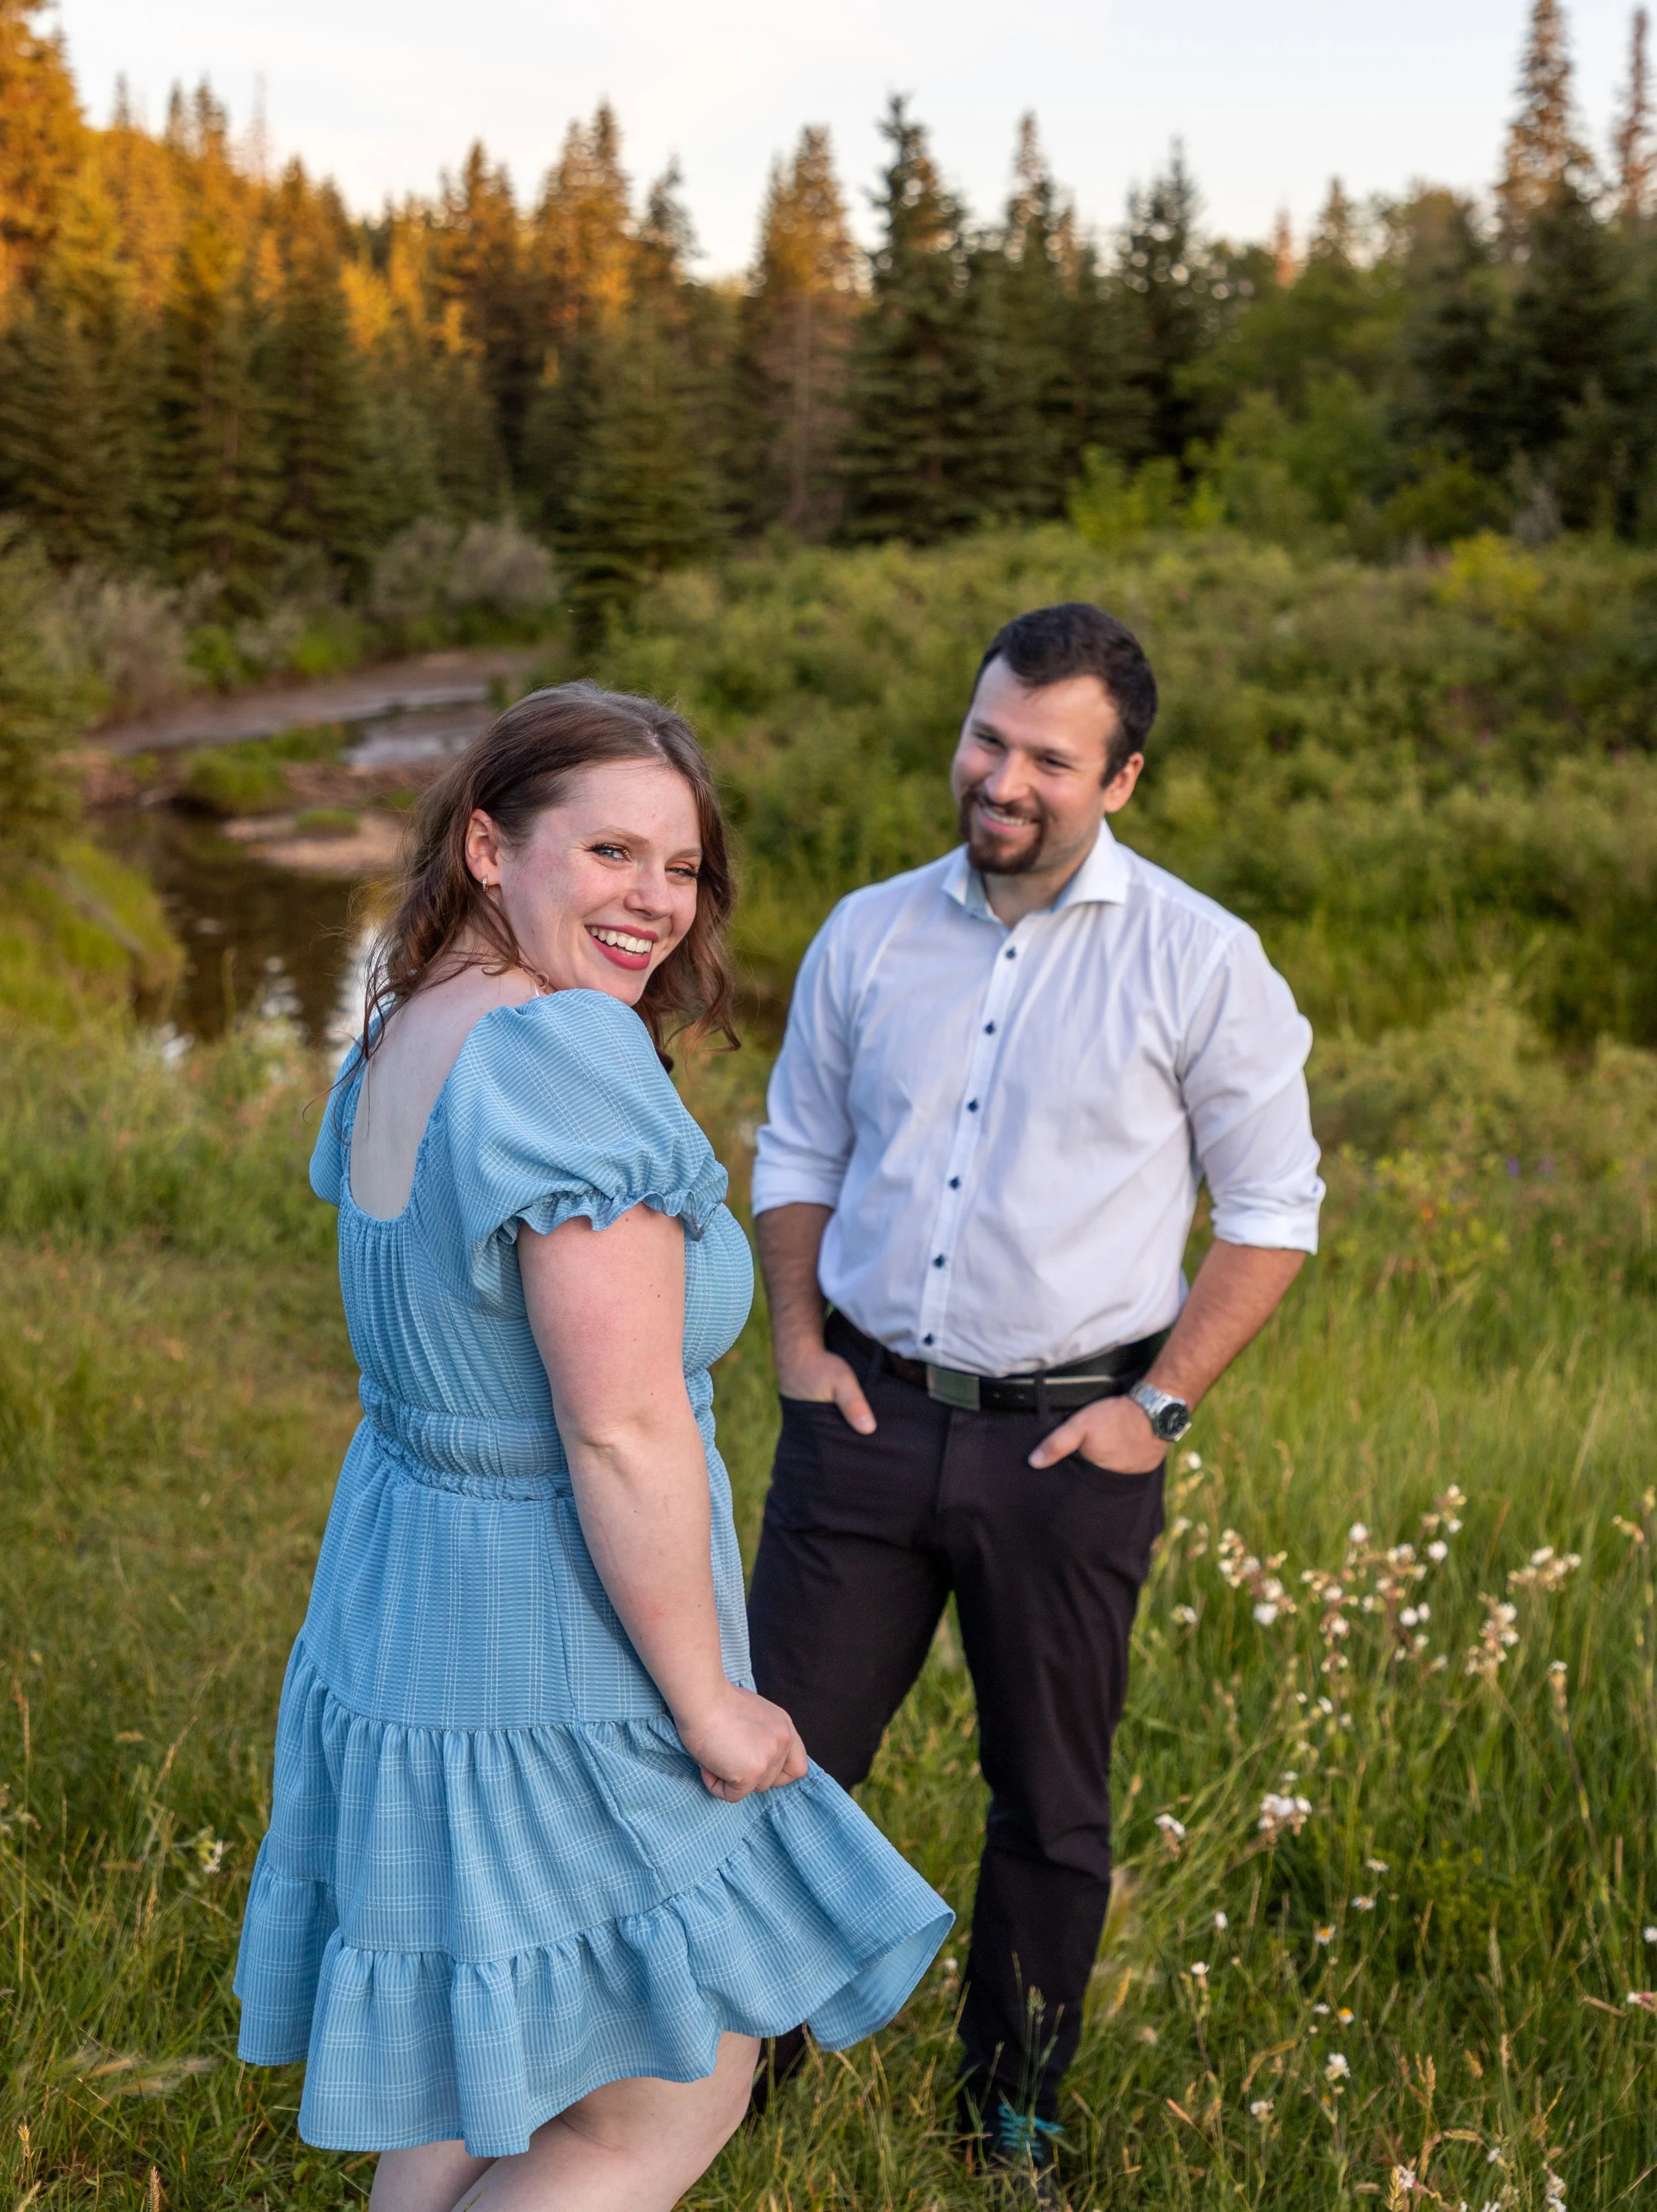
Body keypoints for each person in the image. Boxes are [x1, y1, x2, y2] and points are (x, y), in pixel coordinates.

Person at [235, 683, 950, 2212]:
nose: (652, 902)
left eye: (678, 868)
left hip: (406, 1606)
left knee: (468, 2068)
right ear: (489, 848)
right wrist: (709, 1703)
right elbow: (617, 1424)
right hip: (546, 1638)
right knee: (673, 2086)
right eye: (609, 853)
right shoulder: (559, 1057)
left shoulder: (410, 1025)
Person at [746, 603, 1323, 2174]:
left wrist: (1159, 1410)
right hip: (859, 1425)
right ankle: (742, 2074)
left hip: (1071, 1446)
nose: (1002, 776)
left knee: (1050, 1805)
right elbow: (797, 1150)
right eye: (987, 736)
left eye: (1048, 758)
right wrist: (798, 1349)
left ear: (1120, 780)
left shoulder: (1200, 961)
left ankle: (1005, 2121)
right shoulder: (867, 932)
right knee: (769, 1763)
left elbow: (1273, 1207)